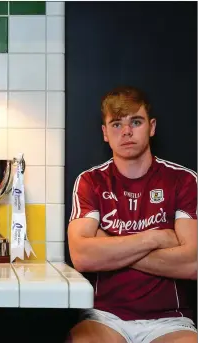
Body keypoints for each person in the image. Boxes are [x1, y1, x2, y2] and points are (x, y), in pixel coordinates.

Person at [67, 86, 197, 343]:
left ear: (152, 126)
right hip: (104, 317)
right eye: (116, 124)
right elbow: (82, 256)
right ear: (105, 133)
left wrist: (108, 244)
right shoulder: (91, 181)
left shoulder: (183, 180)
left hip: (170, 321)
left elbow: (192, 264)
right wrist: (155, 238)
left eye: (135, 122)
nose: (126, 131)